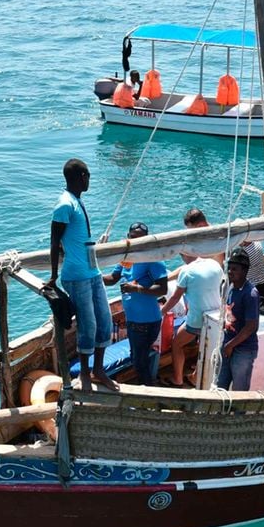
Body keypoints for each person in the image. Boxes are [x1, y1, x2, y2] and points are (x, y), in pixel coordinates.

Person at [49, 158, 118, 391]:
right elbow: (54, 242)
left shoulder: (77, 201)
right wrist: (53, 275)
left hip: (93, 272)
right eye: (87, 175)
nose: (89, 179)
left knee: (105, 322)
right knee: (88, 325)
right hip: (76, 276)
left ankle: (99, 370)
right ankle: (85, 374)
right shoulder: (64, 204)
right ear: (81, 177)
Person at [103, 221, 167, 387]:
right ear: (128, 238)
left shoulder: (153, 259)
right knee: (138, 358)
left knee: (138, 361)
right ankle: (147, 388)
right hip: (133, 321)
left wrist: (136, 289)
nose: (137, 242)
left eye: (141, 239)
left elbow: (162, 289)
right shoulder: (126, 258)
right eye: (133, 238)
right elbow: (113, 278)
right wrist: (95, 276)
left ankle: (147, 393)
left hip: (146, 321)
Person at [160, 251, 224, 387]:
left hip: (197, 319)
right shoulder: (214, 265)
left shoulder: (186, 272)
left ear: (184, 255)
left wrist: (162, 311)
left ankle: (178, 379)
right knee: (205, 345)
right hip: (216, 315)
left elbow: (175, 297)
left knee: (176, 344)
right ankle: (195, 376)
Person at [216, 249, 260, 391]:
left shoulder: (250, 294)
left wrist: (230, 345)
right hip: (228, 344)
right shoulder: (229, 287)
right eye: (229, 268)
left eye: (234, 269)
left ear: (244, 271)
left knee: (239, 391)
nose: (230, 272)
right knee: (220, 386)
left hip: (243, 350)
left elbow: (251, 326)